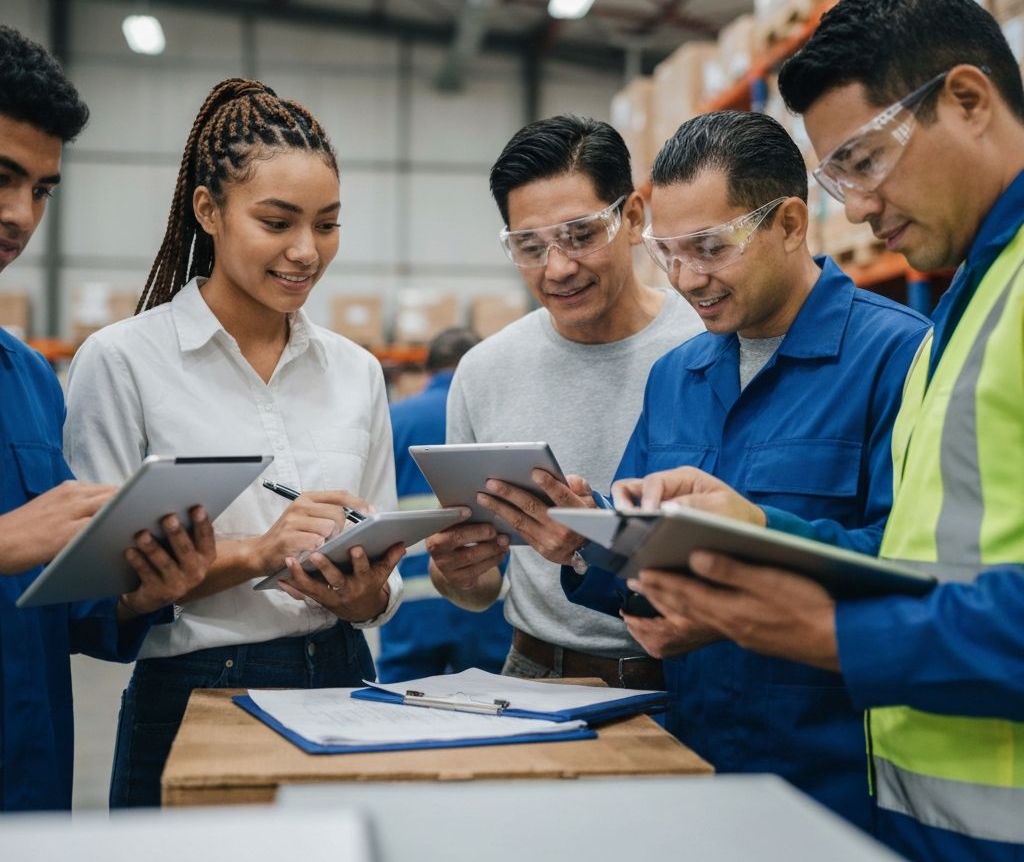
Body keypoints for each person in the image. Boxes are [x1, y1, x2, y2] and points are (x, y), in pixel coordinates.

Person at [621, 0, 1024, 862]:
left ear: (968, 99)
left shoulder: (914, 337)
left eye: (867, 162)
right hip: (927, 824)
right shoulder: (966, 314)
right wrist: (763, 527)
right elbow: (917, 561)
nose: (862, 208)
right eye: (841, 176)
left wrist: (827, 633)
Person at [555, 110, 928, 830]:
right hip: (694, 763)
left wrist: (754, 547)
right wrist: (577, 536)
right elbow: (638, 561)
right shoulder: (677, 376)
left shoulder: (898, 358)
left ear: (790, 224)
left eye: (710, 248)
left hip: (838, 781)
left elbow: (913, 569)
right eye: (668, 252)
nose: (688, 279)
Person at [63, 78, 407, 808]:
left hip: (348, 681)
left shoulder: (356, 372)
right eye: (278, 222)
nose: (306, 252)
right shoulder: (124, 362)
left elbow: (384, 565)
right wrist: (256, 553)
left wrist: (366, 594)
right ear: (209, 210)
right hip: (195, 691)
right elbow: (95, 583)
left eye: (328, 224)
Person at [0, 24, 215, 811]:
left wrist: (149, 587)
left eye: (43, 190)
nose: (20, 215)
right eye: (2, 176)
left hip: (26, 793)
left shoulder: (27, 379)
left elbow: (69, 611)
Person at [424, 115, 702, 689]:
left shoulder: (707, 345)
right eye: (529, 246)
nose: (558, 268)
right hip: (535, 673)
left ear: (631, 219)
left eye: (580, 235)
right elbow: (475, 592)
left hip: (689, 676)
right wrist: (456, 572)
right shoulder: (484, 372)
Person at [376, 326, 512, 681]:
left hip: (412, 602)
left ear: (427, 369)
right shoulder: (497, 418)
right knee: (492, 709)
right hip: (487, 592)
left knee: (400, 708)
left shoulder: (395, 419)